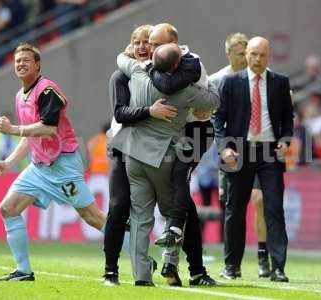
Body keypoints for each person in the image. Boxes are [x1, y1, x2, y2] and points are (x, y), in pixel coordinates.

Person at [0, 42, 106, 281]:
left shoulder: (47, 90)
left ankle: (141, 255)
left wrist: (13, 129)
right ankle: (23, 270)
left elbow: (48, 128)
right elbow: (30, 137)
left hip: (63, 164)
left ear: (38, 64)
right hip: (39, 167)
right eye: (17, 61)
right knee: (8, 209)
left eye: (26, 60)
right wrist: (9, 162)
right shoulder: (19, 95)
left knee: (93, 218)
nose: (20, 64)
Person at [110, 42, 219, 286]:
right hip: (163, 158)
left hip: (133, 156)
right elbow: (213, 100)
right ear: (178, 66)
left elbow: (121, 59)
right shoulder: (185, 92)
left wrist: (130, 53)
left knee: (140, 216)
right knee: (174, 215)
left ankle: (141, 276)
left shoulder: (137, 72)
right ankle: (171, 264)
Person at [213, 37, 294, 282]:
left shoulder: (280, 82)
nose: (258, 60)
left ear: (269, 56)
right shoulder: (230, 82)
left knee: (274, 209)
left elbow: (288, 118)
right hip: (239, 150)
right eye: (254, 54)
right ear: (246, 54)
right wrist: (225, 148)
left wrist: (286, 140)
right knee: (234, 210)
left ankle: (278, 267)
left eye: (263, 55)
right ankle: (231, 266)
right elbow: (218, 121)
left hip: (270, 152)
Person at [103, 24, 179, 286]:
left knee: (175, 207)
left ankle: (190, 268)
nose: (143, 46)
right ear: (131, 46)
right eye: (137, 42)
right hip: (123, 149)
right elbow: (120, 114)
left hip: (154, 150)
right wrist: (150, 111)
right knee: (118, 207)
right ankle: (110, 269)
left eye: (148, 42)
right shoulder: (120, 76)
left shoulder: (164, 76)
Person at [147, 23, 217, 286]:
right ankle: (180, 267)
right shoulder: (144, 64)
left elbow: (167, 85)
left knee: (180, 178)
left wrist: (148, 68)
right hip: (166, 136)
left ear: (173, 44)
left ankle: (174, 233)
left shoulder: (189, 62)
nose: (151, 49)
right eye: (149, 43)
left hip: (195, 131)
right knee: (182, 200)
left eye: (156, 44)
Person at [210, 32, 270, 278]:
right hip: (231, 151)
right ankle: (232, 263)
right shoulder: (218, 80)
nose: (246, 59)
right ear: (229, 55)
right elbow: (214, 118)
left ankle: (263, 255)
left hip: (260, 149)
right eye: (240, 54)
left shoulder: (262, 78)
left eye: (248, 54)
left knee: (259, 199)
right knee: (232, 206)